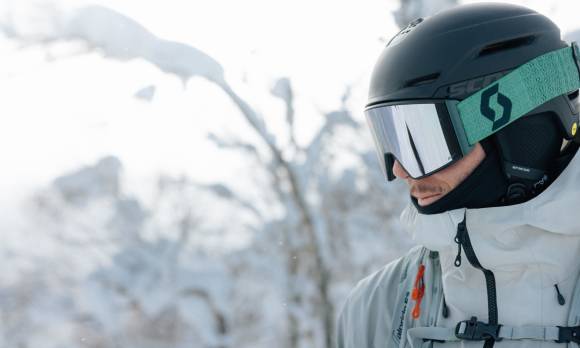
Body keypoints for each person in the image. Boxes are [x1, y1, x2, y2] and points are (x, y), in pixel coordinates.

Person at [337, 3, 580, 348]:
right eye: (390, 141)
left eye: (422, 141)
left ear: (517, 132)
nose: (399, 169)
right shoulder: (376, 307)